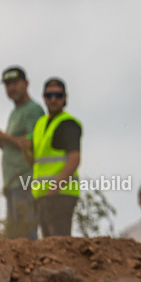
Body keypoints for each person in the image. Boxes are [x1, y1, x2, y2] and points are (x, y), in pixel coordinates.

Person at [0, 67, 44, 239]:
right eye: (7, 85)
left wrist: (4, 136)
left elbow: (31, 143)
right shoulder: (15, 113)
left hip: (25, 180)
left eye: (14, 83)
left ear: (26, 84)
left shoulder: (33, 110)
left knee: (25, 235)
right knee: (14, 237)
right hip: (12, 182)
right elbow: (15, 146)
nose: (11, 88)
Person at [29, 78, 82, 237]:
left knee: (59, 243)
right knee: (49, 244)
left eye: (57, 95)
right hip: (43, 196)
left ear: (65, 97)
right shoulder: (40, 124)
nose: (53, 99)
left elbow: (74, 159)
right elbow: (36, 162)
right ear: (44, 97)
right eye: (49, 95)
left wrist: (55, 188)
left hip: (61, 194)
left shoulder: (68, 124)